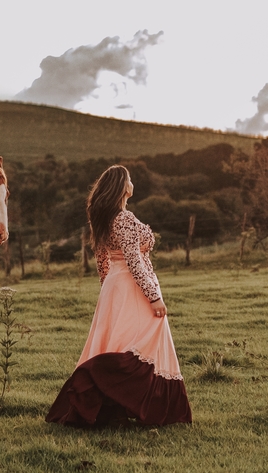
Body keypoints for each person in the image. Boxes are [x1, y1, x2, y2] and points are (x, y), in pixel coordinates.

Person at [46, 165, 192, 427]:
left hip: (116, 285)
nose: (132, 182)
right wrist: (153, 296)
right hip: (129, 285)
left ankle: (113, 409)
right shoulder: (123, 219)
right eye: (130, 179)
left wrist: (108, 293)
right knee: (140, 340)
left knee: (118, 341)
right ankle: (110, 389)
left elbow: (103, 261)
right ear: (123, 187)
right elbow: (133, 261)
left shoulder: (105, 218)